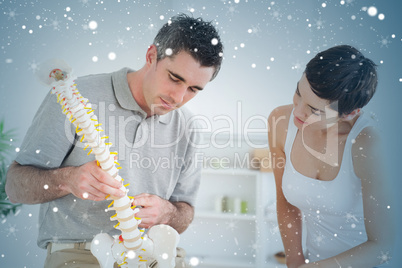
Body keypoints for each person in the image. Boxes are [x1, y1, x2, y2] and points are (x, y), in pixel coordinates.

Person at [5, 13, 223, 268]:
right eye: (175, 78)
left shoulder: (188, 127)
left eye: (194, 89)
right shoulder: (74, 97)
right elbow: (14, 186)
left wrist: (167, 212)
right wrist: (67, 180)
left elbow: (185, 214)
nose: (178, 97)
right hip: (82, 256)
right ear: (151, 55)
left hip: (154, 256)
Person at [268, 45, 394, 267]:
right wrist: (295, 262)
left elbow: (384, 244)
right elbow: (286, 204)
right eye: (298, 92)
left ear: (350, 113)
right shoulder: (280, 121)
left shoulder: (369, 145)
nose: (297, 111)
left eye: (314, 110)